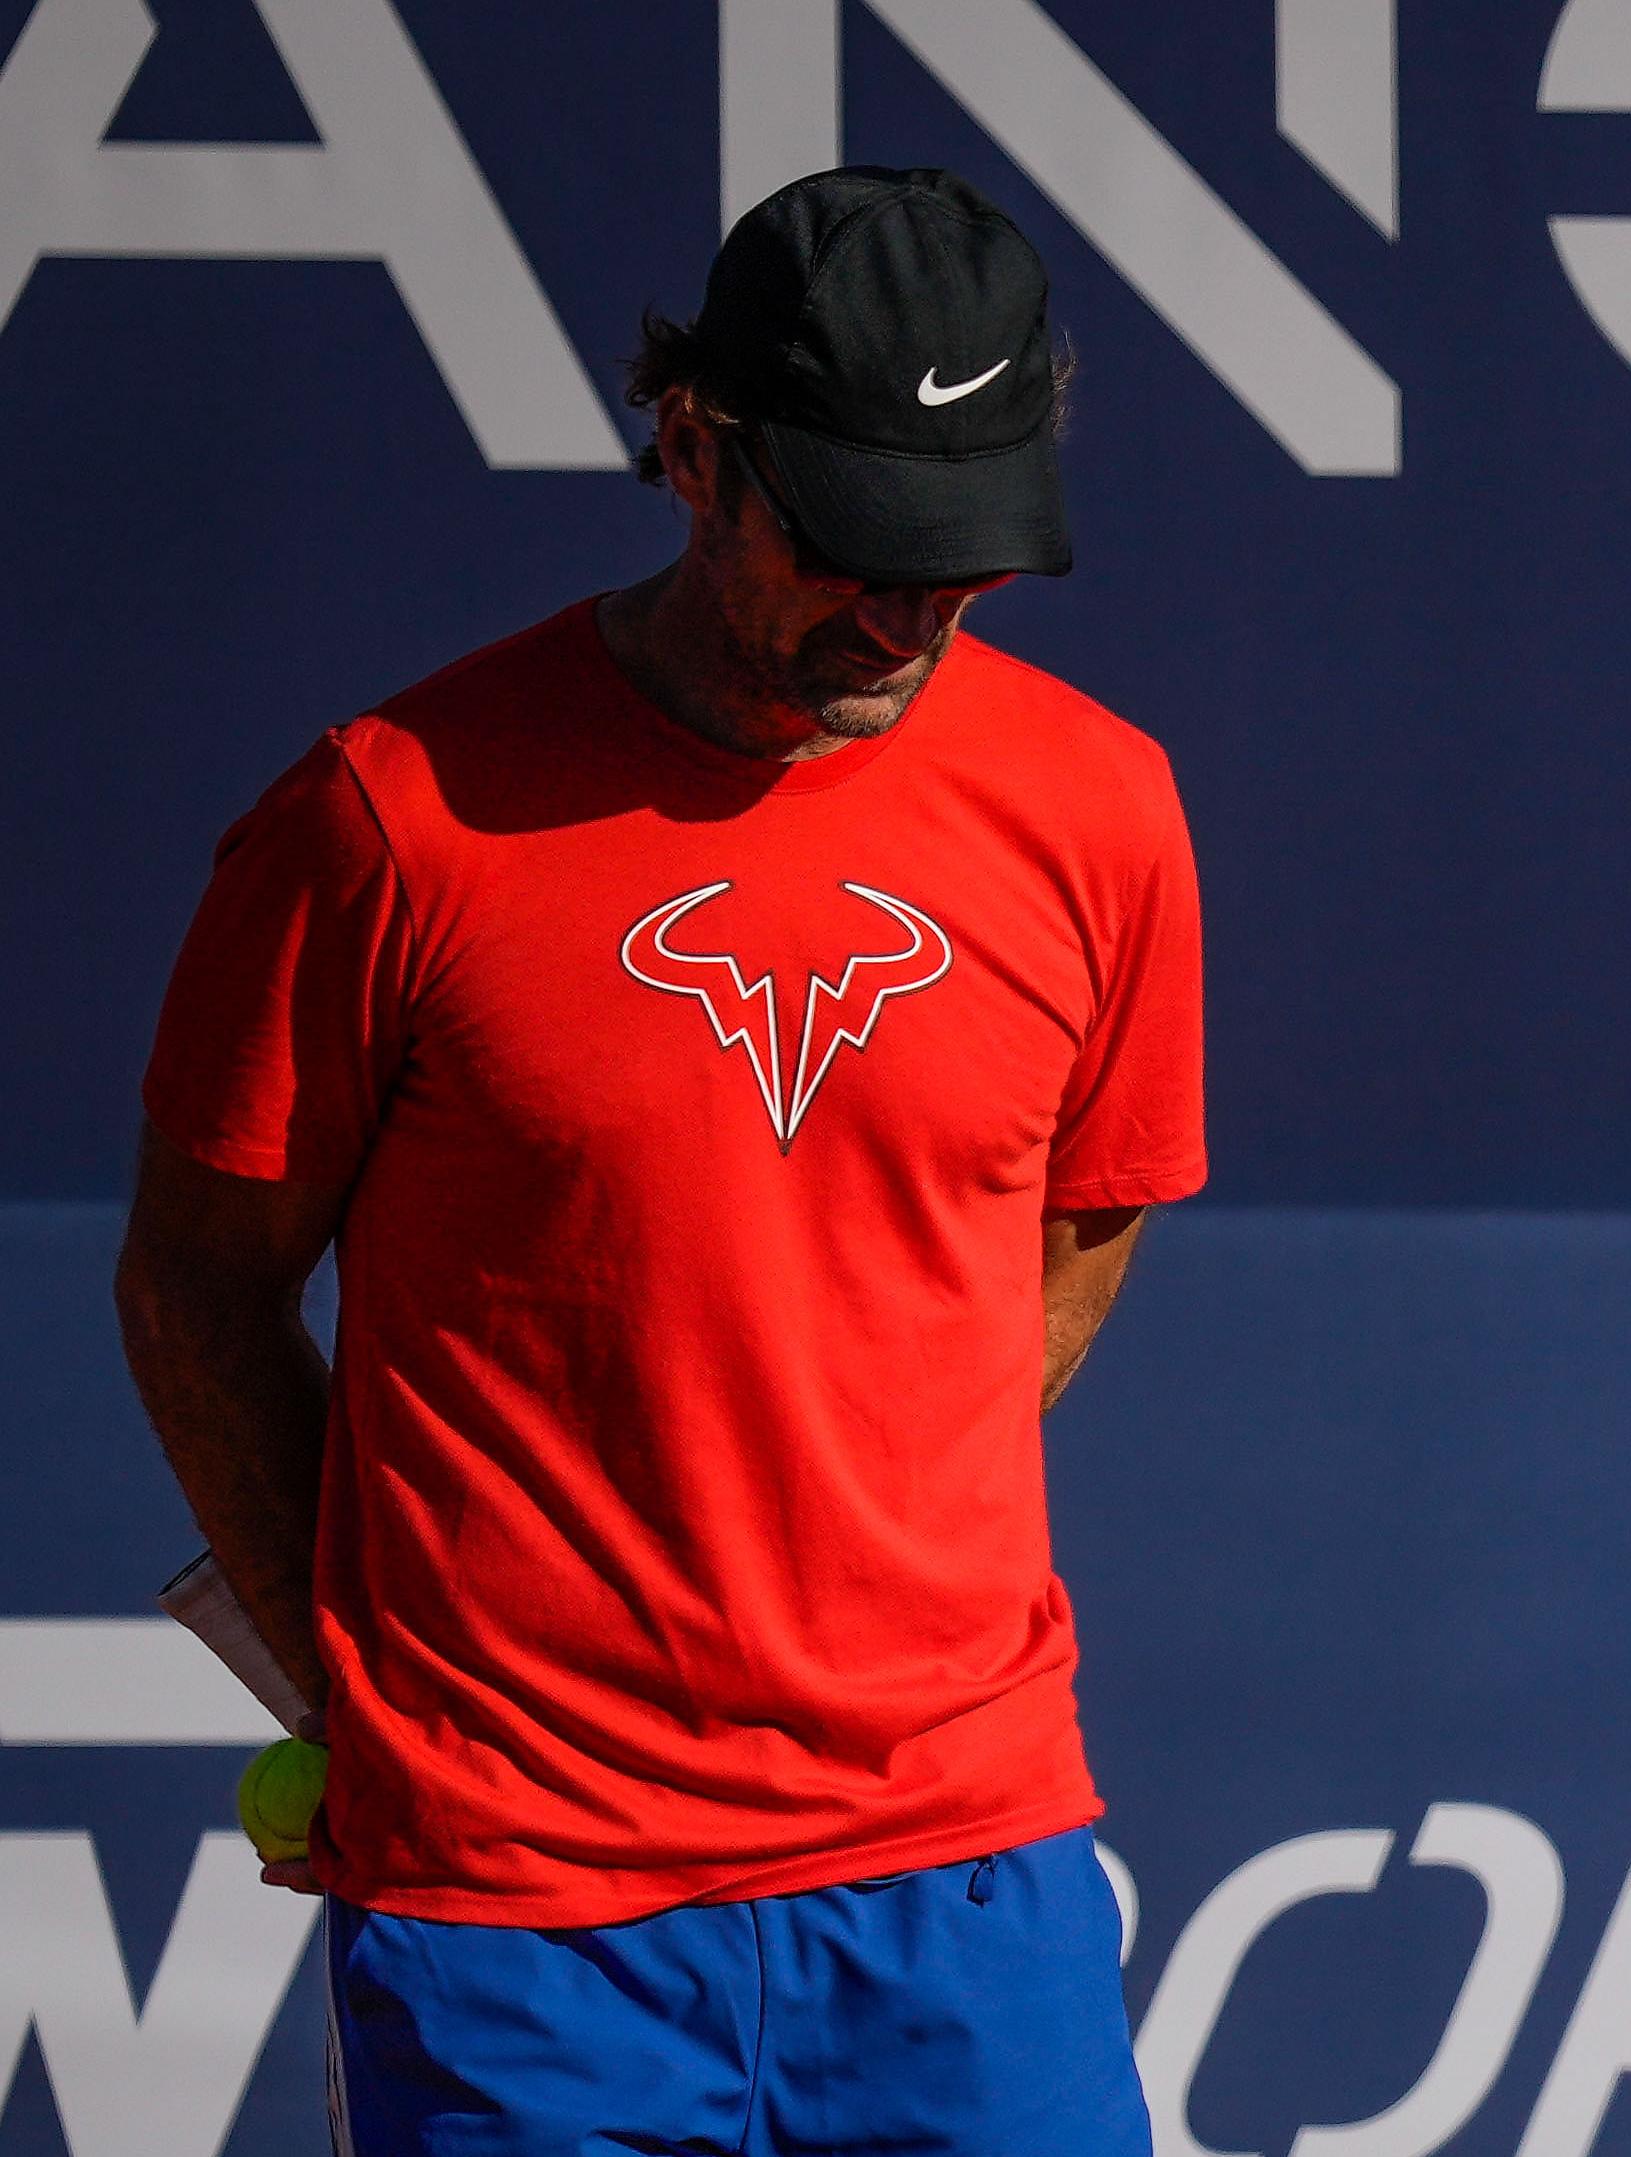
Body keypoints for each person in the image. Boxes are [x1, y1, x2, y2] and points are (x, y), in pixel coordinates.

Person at [108, 166, 1196, 2152]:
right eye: (858, 546)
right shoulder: (384, 821)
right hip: (522, 1914)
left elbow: (1080, 1225)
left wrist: (842, 1481)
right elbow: (198, 1282)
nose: (908, 616)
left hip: (965, 1882)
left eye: (965, 563)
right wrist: (355, 1691)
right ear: (696, 451)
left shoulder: (1103, 810)